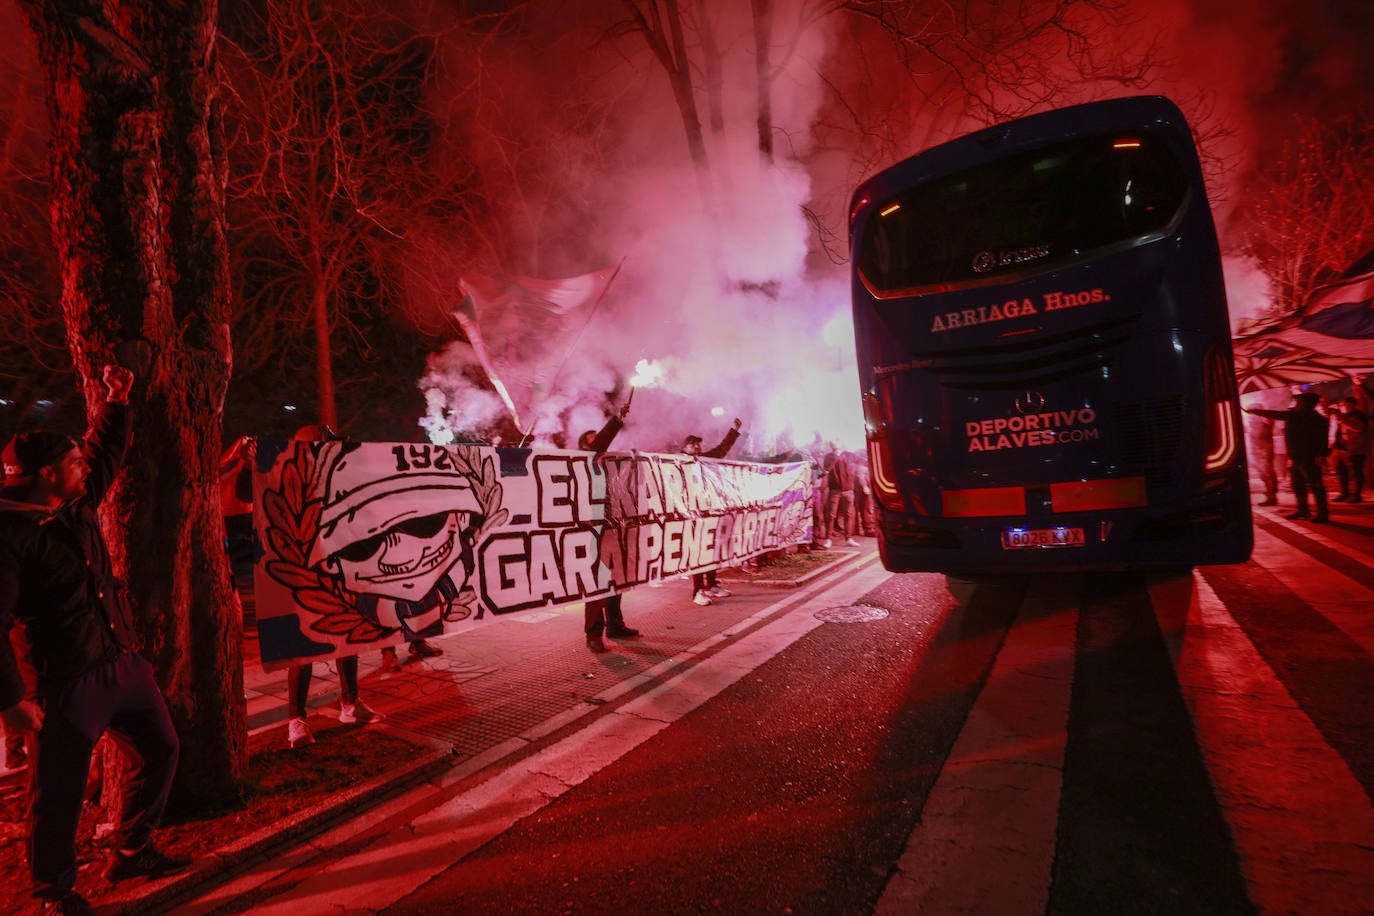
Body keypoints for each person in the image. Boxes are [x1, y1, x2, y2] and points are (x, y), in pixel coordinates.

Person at [0, 364, 189, 913]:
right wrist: (11, 701)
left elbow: (104, 452)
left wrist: (117, 400)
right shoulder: (10, 537)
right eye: (73, 463)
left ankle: (130, 848)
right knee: (55, 793)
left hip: (118, 660)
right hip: (63, 683)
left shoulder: (74, 502)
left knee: (162, 748)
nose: (85, 466)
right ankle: (53, 893)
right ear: (47, 475)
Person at [283, 424, 385, 750]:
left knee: (346, 638)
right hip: (302, 572)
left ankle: (350, 703)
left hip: (340, 568)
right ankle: (296, 719)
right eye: (323, 445)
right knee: (303, 646)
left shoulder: (340, 478)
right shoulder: (287, 478)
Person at [579, 400, 639, 652]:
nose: (601, 442)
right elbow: (602, 443)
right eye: (595, 439)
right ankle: (594, 634)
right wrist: (616, 420)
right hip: (592, 528)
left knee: (617, 577)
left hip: (613, 525)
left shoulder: (607, 465)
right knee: (597, 581)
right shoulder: (583, 460)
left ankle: (616, 624)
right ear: (585, 446)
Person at [1246, 391, 1330, 522]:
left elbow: (1323, 439)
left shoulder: (1317, 419)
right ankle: (1303, 511)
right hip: (1296, 457)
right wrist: (1256, 412)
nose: (1296, 403)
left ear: (1306, 403)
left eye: (1299, 400)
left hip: (1310, 457)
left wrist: (1321, 454)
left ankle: (1323, 514)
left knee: (1315, 485)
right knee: (1298, 485)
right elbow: (1275, 414)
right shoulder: (1293, 415)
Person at [683, 418, 742, 606]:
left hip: (708, 512)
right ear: (684, 448)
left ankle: (712, 585)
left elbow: (722, 449)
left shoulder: (706, 460)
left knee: (711, 550)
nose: (697, 446)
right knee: (697, 552)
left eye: (698, 444)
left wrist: (734, 430)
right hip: (691, 516)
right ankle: (697, 591)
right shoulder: (676, 464)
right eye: (692, 444)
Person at [1331, 390, 1370, 503]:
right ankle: (1345, 493)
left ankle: (1357, 495)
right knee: (1341, 471)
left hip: (1355, 449)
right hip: (1341, 449)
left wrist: (1342, 419)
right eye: (1342, 405)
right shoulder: (1343, 416)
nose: (1343, 407)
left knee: (1356, 471)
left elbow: (1358, 428)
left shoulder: (1359, 416)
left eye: (1346, 405)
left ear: (1353, 405)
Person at [822, 446, 859, 548]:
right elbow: (827, 468)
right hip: (835, 490)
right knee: (831, 515)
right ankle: (828, 539)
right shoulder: (829, 456)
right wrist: (836, 455)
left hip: (848, 490)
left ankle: (849, 538)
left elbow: (857, 464)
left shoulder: (848, 455)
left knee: (848, 515)